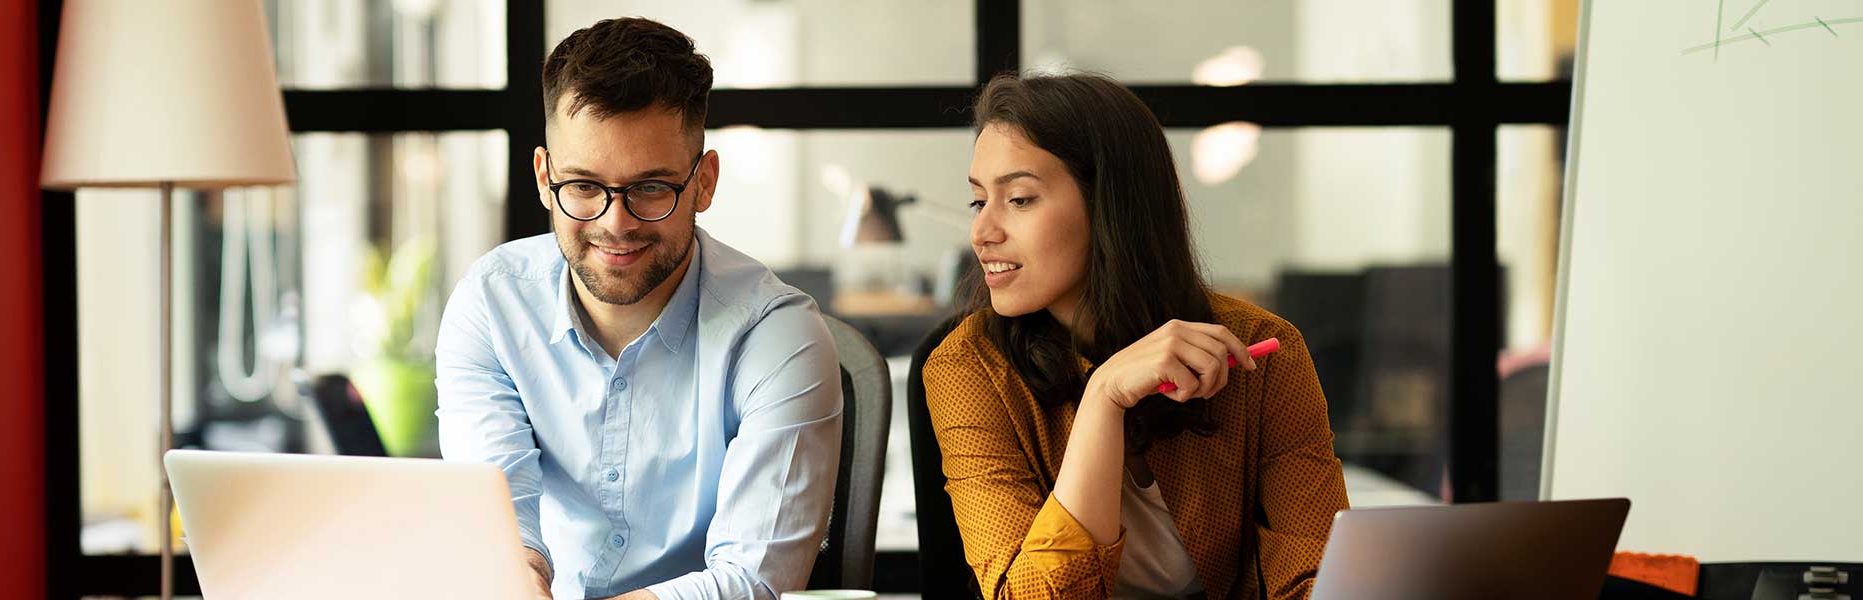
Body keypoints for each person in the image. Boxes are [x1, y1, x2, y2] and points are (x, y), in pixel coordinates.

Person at [435, 18, 842, 600]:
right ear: (545, 179)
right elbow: (498, 530)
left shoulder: (778, 334)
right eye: (583, 186)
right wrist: (516, 575)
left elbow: (755, 580)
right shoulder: (493, 304)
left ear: (704, 182)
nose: (614, 223)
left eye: (650, 188)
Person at [923, 72, 1349, 600]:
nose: (982, 232)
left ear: (1110, 206)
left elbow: (1320, 580)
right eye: (978, 201)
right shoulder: (966, 369)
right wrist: (1104, 396)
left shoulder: (1262, 350)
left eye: (1020, 199)